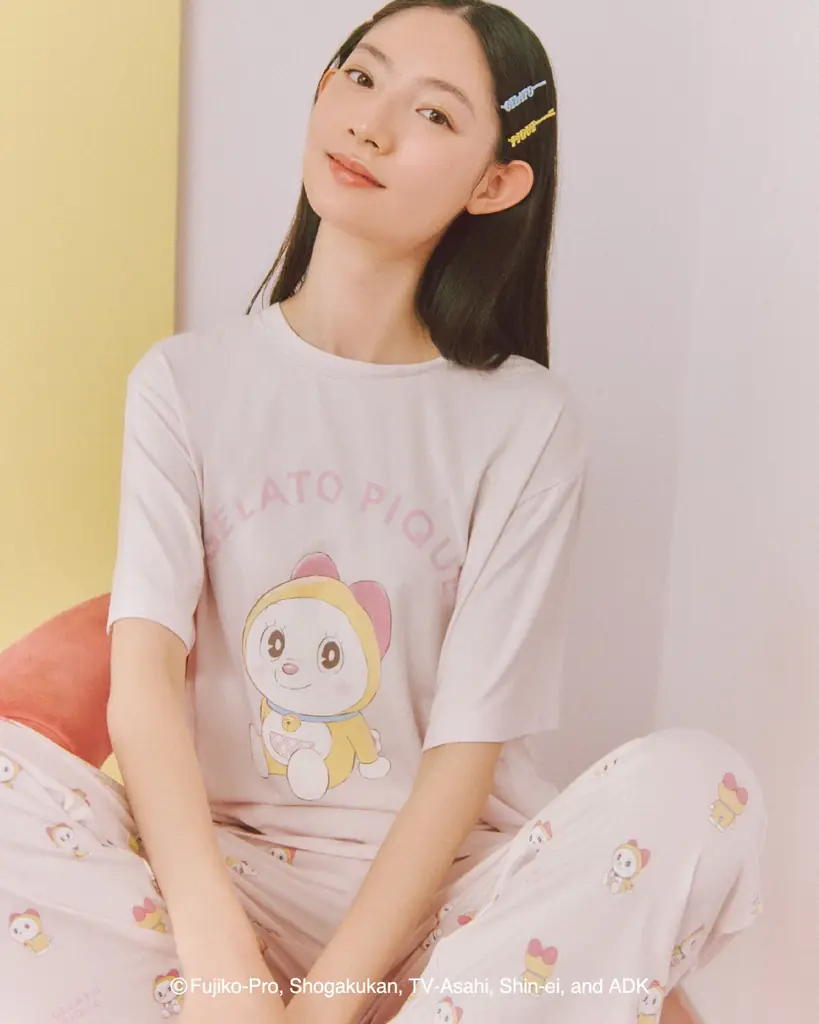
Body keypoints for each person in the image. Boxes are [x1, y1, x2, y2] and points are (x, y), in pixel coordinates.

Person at [0, 2, 765, 1022]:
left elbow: (464, 750)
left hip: (454, 914)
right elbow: (141, 683)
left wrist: (328, 1003)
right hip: (222, 889)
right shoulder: (184, 383)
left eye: (434, 113)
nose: (371, 123)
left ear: (496, 184)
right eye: (361, 78)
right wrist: (225, 964)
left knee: (701, 782)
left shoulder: (524, 420)